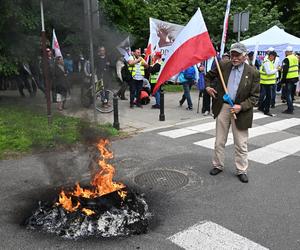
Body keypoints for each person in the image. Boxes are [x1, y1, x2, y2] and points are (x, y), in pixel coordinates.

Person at [205, 43, 260, 183]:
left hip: (241, 110)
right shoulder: (224, 65)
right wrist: (208, 87)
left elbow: (255, 97)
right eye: (232, 54)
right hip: (223, 107)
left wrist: (241, 107)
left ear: (245, 56)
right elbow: (208, 76)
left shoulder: (253, 72)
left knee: (241, 143)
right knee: (219, 141)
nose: (234, 58)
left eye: (237, 55)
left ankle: (241, 169)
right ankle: (218, 164)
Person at [258, 51, 279, 116]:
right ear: (271, 56)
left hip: (267, 82)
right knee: (269, 97)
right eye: (274, 57)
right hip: (266, 82)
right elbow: (268, 72)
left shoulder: (268, 62)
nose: (274, 58)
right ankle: (266, 111)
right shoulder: (267, 62)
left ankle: (261, 107)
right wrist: (276, 69)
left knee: (268, 97)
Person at [280, 46, 299, 114]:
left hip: (289, 78)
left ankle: (290, 109)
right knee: (291, 93)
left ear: (288, 52)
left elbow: (285, 70)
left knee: (288, 94)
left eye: (286, 52)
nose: (285, 53)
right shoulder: (295, 58)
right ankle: (291, 106)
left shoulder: (287, 59)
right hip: (295, 78)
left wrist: (283, 80)